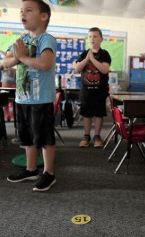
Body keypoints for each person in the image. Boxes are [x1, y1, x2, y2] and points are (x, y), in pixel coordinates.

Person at [3, 0, 57, 191]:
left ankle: (49, 174)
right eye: (21, 11)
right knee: (26, 138)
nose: (22, 14)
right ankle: (31, 169)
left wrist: (23, 58)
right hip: (22, 98)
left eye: (28, 10)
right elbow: (5, 62)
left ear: (44, 16)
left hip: (41, 98)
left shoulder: (46, 39)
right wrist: (18, 57)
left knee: (44, 139)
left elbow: (45, 63)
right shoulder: (21, 39)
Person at [73, 27, 111, 148]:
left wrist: (93, 59)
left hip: (100, 89)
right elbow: (77, 68)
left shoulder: (104, 54)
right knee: (87, 113)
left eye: (95, 36)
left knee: (99, 113)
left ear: (101, 39)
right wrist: (87, 59)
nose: (92, 39)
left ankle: (97, 136)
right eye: (90, 36)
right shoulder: (84, 53)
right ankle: (86, 136)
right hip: (86, 89)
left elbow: (104, 69)